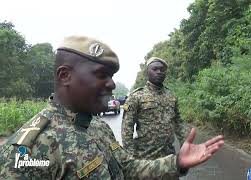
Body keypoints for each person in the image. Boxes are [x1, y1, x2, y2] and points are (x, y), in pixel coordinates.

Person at [0, 36, 224, 179]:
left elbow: (128, 168)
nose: (112, 84)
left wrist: (177, 162)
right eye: (101, 75)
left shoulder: (98, 126)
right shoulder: (25, 151)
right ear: (65, 75)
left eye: (112, 76)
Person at [122, 57, 186, 163]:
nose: (159, 72)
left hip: (169, 158)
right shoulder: (136, 96)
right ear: (148, 72)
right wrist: (131, 157)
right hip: (145, 158)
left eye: (162, 69)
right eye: (155, 69)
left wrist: (185, 145)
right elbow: (126, 129)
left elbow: (179, 123)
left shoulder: (171, 96)